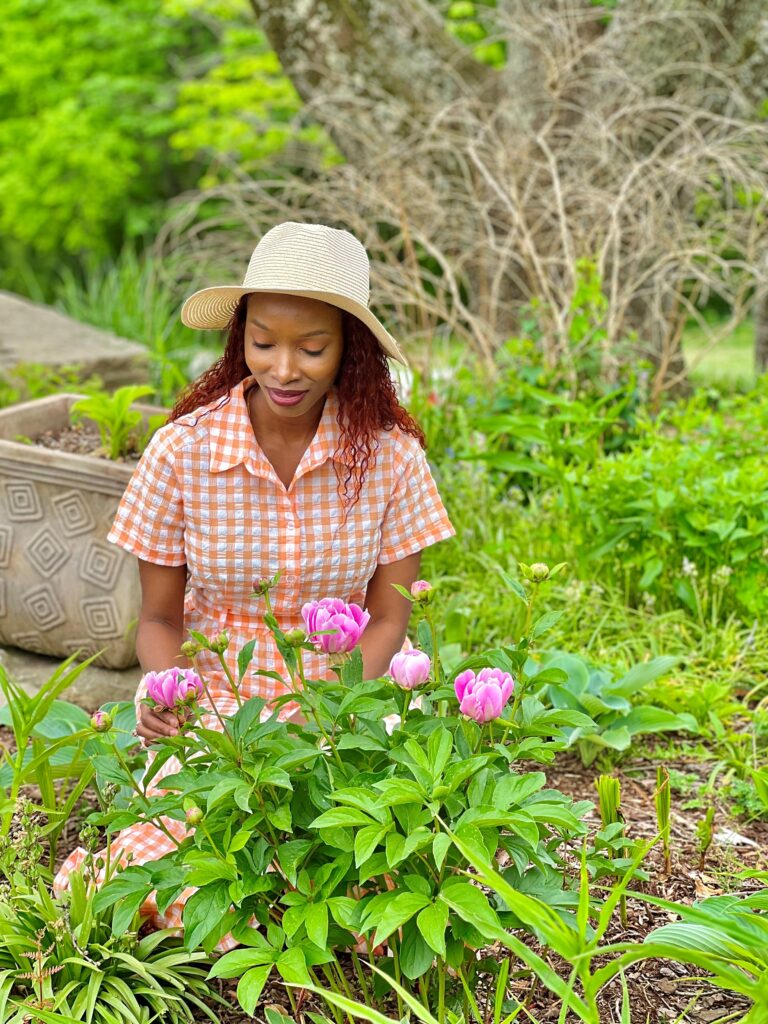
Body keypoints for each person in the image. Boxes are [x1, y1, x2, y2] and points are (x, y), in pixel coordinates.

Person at [53, 221, 455, 935]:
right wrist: (165, 692)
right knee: (192, 850)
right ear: (239, 336)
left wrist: (334, 708)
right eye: (264, 342)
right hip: (220, 698)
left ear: (350, 352)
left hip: (347, 692)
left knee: (394, 845)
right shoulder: (183, 451)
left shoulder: (392, 458)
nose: (285, 369)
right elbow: (159, 621)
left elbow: (389, 618)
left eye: (312, 348)